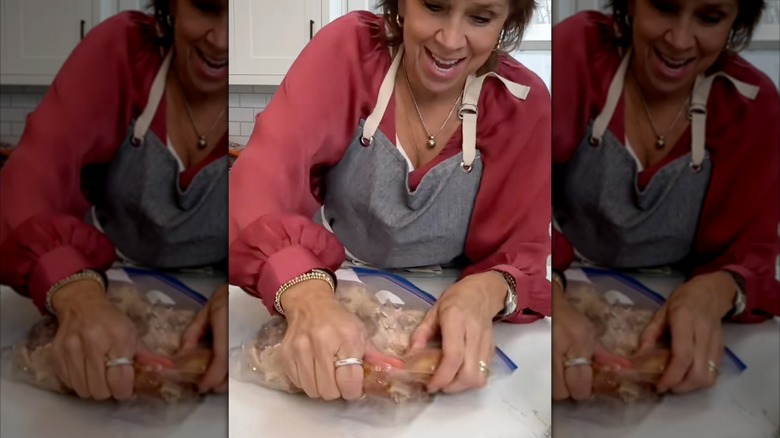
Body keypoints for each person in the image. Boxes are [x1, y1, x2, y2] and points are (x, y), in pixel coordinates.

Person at [229, 0, 551, 401]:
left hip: (447, 308)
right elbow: (261, 182)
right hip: (325, 284)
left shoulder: (522, 103)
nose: (450, 40)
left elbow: (523, 252)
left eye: (480, 18)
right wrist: (304, 293)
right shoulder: (349, 51)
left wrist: (486, 292)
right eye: (434, 6)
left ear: (506, 23)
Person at [550, 0, 780, 402]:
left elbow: (751, 253)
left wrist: (716, 290)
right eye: (665, 7)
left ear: (735, 22)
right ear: (632, 5)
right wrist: (545, 285)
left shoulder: (751, 105)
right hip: (563, 279)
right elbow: (521, 200)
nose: (678, 40)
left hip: (673, 306)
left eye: (709, 18)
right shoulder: (580, 52)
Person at [0, 0, 230, 401]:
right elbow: (29, 181)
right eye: (207, 6)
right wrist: (74, 291)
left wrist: (236, 296)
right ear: (173, 4)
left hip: (216, 297)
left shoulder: (284, 92)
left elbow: (278, 209)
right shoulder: (122, 51)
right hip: (104, 281)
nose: (222, 39)